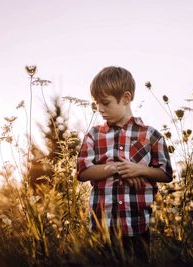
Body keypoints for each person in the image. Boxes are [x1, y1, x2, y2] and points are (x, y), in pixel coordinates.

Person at [76, 66, 173, 263]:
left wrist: (140, 170)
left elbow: (166, 173)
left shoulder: (151, 135)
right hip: (103, 225)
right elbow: (83, 171)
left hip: (138, 224)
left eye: (105, 103)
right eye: (97, 104)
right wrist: (118, 168)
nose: (100, 109)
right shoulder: (94, 135)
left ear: (126, 98)